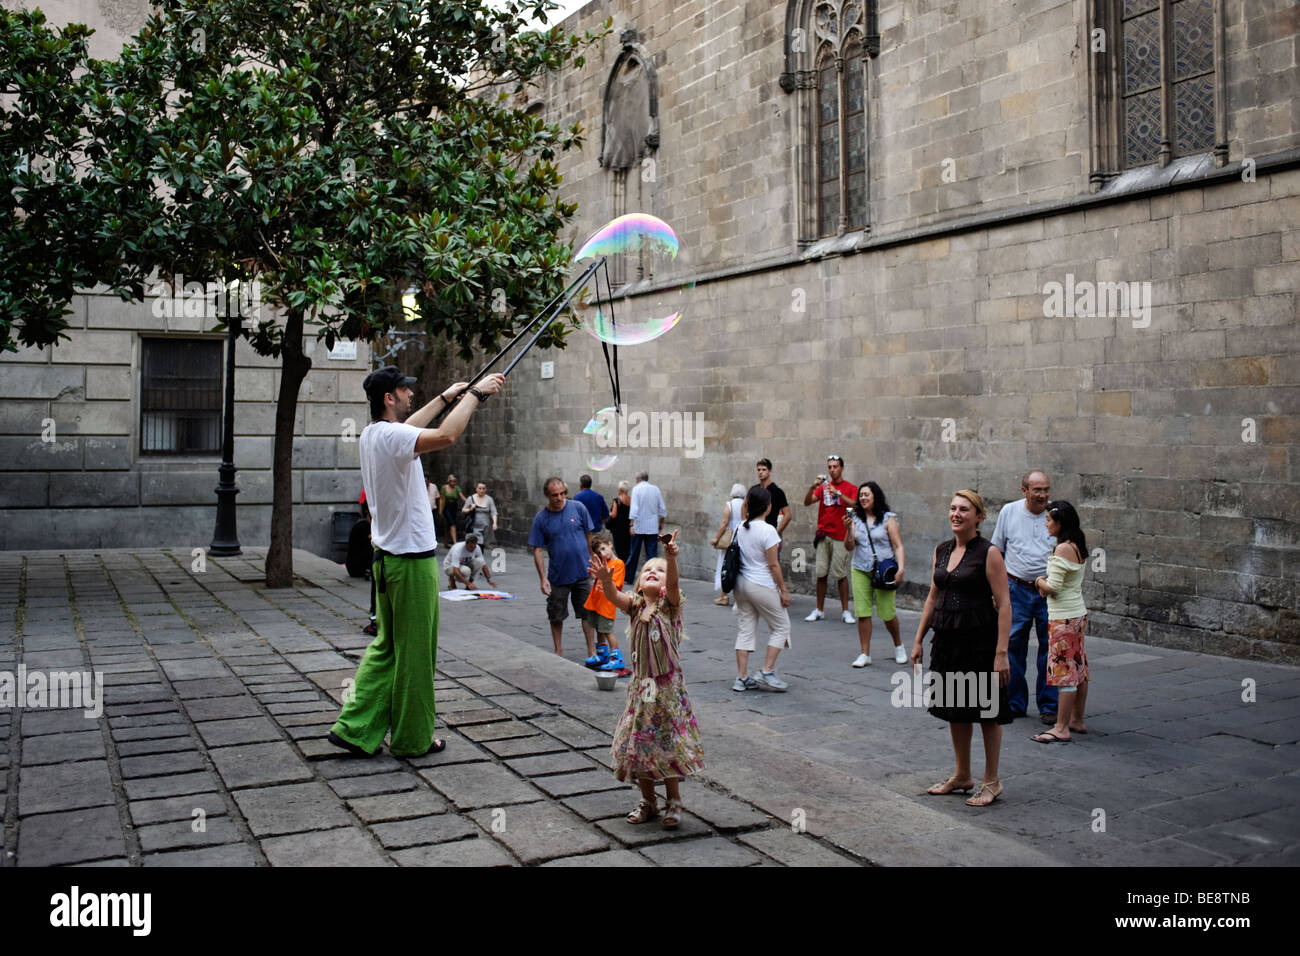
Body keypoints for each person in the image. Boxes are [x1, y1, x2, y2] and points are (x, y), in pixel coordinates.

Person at [329, 366, 505, 758]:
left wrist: (447, 397)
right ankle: (413, 739)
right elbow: (447, 435)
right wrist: (476, 394)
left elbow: (411, 426)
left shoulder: (374, 435)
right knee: (416, 653)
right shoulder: (391, 437)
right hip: (411, 562)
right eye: (405, 390)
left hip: (387, 561)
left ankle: (355, 728)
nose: (411, 393)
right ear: (389, 397)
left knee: (387, 646)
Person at [590, 536, 704, 829]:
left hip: (667, 691)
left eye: (660, 570)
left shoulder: (669, 606)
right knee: (639, 745)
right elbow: (615, 598)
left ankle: (674, 800)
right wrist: (605, 580)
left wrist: (673, 559)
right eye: (647, 569)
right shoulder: (635, 605)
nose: (653, 571)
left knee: (666, 745)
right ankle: (648, 801)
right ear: (639, 584)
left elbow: (675, 586)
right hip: (641, 691)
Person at [910, 490, 1012, 807]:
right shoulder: (941, 550)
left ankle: (992, 781)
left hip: (980, 640)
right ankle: (962, 774)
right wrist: (917, 638)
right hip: (948, 639)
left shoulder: (989, 552)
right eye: (953, 508)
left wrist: (1001, 652)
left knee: (986, 711)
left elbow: (1006, 604)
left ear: (978, 516)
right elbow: (932, 597)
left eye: (964, 510)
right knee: (956, 709)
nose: (956, 514)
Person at [990, 470, 1059, 725]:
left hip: (1048, 591)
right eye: (1037, 490)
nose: (1043, 495)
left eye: (1046, 489)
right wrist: (996, 590)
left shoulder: (1056, 513)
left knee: (1049, 648)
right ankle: (1016, 702)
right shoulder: (1009, 511)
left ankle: (1049, 705)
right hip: (1015, 588)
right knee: (1014, 646)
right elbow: (997, 549)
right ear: (1024, 491)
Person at [1032, 501, 1090, 743]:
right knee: (1079, 668)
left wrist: (1039, 582)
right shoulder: (1077, 545)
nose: (1046, 524)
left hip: (1063, 617)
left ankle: (1061, 726)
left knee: (1064, 671)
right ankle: (1077, 719)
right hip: (1077, 613)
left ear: (1059, 523)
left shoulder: (1062, 549)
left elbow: (1053, 587)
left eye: (1048, 520)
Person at [732, 486, 793, 692]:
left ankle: (741, 678)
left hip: (740, 584)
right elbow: (773, 565)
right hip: (761, 584)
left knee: (746, 627)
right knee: (782, 627)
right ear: (768, 507)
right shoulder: (768, 531)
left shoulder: (740, 526)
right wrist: (783, 590)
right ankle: (766, 670)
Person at [528, 477, 597, 658]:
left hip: (583, 572)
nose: (560, 498)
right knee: (556, 615)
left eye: (562, 493)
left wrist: (594, 563)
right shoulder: (541, 518)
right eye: (555, 495)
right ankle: (558, 650)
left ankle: (591, 650)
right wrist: (542, 578)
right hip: (558, 576)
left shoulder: (578, 508)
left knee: (587, 613)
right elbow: (537, 549)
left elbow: (589, 536)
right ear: (546, 495)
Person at [843, 481, 907, 667]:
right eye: (861, 495)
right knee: (863, 613)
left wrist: (901, 568)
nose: (863, 498)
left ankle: (898, 645)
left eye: (867, 495)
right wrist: (848, 529)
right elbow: (849, 546)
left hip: (884, 571)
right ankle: (865, 653)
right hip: (861, 569)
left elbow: (898, 545)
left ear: (875, 497)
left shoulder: (888, 519)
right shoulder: (855, 518)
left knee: (887, 613)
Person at [802, 455, 857, 623]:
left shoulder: (849, 487)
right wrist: (812, 488)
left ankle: (846, 611)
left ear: (841, 468)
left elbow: (854, 504)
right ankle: (819, 609)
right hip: (824, 534)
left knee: (840, 574)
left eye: (835, 466)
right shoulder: (824, 487)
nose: (832, 470)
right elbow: (807, 502)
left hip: (841, 536)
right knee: (821, 573)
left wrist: (838, 493)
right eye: (830, 467)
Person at [582, 532, 627, 674]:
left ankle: (617, 657)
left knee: (607, 631)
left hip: (607, 604)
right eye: (598, 552)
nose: (602, 553)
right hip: (595, 602)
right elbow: (595, 577)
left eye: (603, 549)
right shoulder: (603, 563)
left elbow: (616, 585)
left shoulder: (618, 564)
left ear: (610, 545)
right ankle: (602, 654)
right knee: (598, 629)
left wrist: (604, 575)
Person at [346, 497, 378, 637]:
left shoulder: (365, 526)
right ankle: (375, 617)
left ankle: (375, 616)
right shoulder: (364, 526)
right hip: (356, 566)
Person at [710, 483, 746, 606]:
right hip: (742, 539)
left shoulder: (729, 505)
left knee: (725, 566)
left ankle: (724, 596)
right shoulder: (745, 505)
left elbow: (724, 522)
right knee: (740, 566)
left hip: (729, 541)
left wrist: (716, 538)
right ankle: (741, 597)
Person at [627, 471, 666, 577]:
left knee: (634, 553)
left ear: (638, 479)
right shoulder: (655, 489)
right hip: (652, 527)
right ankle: (653, 576)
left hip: (638, 526)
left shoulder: (636, 489)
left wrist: (631, 525)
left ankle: (629, 576)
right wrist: (661, 523)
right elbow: (662, 509)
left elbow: (634, 508)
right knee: (652, 555)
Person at [751, 458, 791, 540]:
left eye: (764, 469)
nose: (760, 472)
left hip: (769, 532)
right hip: (754, 532)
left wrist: (777, 532)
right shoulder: (754, 489)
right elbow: (744, 505)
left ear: (769, 471)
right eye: (758, 470)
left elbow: (788, 514)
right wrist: (745, 523)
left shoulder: (777, 491)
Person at [460, 480, 498, 546]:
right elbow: (463, 510)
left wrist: (494, 523)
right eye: (480, 488)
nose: (481, 490)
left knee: (482, 545)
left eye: (483, 489)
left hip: (486, 527)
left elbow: (493, 512)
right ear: (476, 489)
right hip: (474, 527)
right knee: (477, 544)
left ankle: (479, 555)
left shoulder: (489, 499)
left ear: (486, 489)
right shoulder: (471, 498)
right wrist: (470, 509)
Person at [605, 480, 633, 564]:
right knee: (627, 550)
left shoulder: (617, 500)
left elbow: (614, 515)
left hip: (618, 529)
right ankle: (626, 567)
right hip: (627, 528)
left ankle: (621, 567)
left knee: (619, 550)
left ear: (620, 489)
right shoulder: (631, 500)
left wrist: (609, 514)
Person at [440, 474, 463, 544]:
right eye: (451, 481)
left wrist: (470, 501)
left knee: (448, 525)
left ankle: (446, 542)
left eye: (454, 481)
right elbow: (442, 499)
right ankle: (455, 543)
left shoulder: (457, 488)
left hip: (454, 507)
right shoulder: (444, 488)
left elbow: (462, 496)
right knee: (453, 525)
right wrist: (440, 510)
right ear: (449, 481)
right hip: (447, 507)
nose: (453, 483)